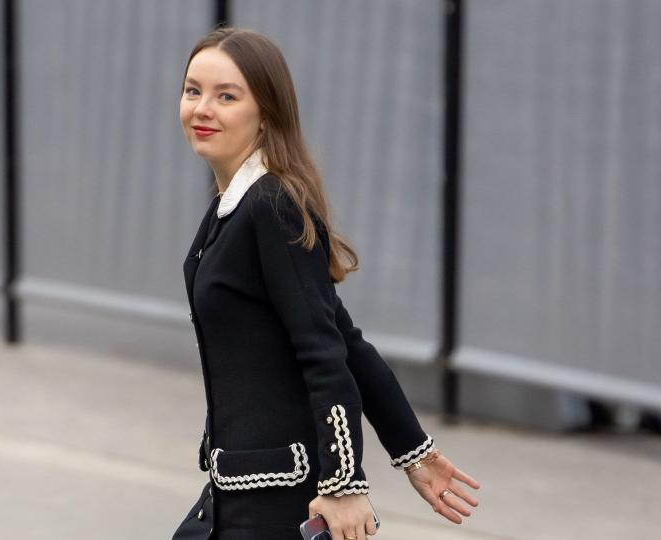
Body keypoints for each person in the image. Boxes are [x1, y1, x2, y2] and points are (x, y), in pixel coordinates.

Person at [171, 28, 481, 540]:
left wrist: (343, 483)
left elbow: (323, 352)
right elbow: (346, 338)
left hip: (273, 498)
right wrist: (412, 449)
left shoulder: (272, 206)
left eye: (227, 96)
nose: (203, 108)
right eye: (192, 91)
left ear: (265, 113)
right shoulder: (233, 209)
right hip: (238, 485)